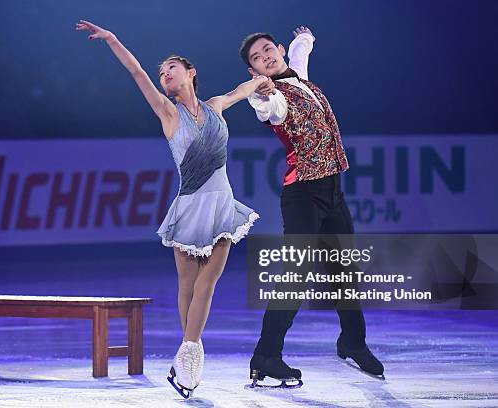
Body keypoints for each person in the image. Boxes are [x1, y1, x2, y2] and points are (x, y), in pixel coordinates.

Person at [76, 19, 267, 397]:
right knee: (188, 284)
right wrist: (114, 38)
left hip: (223, 204)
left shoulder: (215, 107)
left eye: (171, 68)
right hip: (191, 206)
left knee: (207, 284)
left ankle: (187, 354)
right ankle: (191, 355)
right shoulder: (168, 113)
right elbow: (136, 71)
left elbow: (241, 90)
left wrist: (262, 82)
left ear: (191, 73)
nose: (164, 74)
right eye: (162, 71)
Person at [239, 26, 385, 382]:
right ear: (254, 72)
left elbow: (301, 54)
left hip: (334, 191)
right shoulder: (271, 96)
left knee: (345, 272)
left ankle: (352, 342)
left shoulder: (298, 76)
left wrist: (305, 38)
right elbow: (268, 108)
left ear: (279, 49)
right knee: (296, 276)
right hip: (304, 193)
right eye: (257, 58)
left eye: (267, 50)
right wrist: (263, 93)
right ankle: (266, 355)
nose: (265, 57)